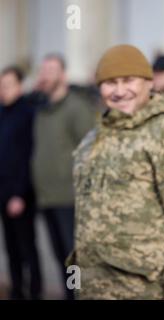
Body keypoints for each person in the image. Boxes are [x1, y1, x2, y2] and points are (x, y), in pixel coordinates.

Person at [70, 44, 164, 299]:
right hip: (93, 287)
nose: (120, 91)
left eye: (128, 80)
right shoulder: (94, 138)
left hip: (149, 289)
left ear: (149, 83)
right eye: (110, 82)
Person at [31, 53, 96, 299]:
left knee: (74, 259)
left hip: (70, 199)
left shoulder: (77, 108)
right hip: (47, 197)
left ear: (63, 75)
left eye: (51, 70)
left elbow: (90, 151)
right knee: (60, 257)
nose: (45, 75)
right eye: (42, 70)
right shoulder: (42, 108)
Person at [0, 66, 42, 299]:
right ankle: (17, 291)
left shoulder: (28, 114)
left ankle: (34, 291)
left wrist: (19, 193)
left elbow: (28, 156)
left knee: (28, 247)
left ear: (19, 86)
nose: (3, 90)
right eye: (1, 86)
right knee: (11, 249)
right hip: (3, 192)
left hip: (21, 194)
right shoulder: (2, 112)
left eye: (7, 85)